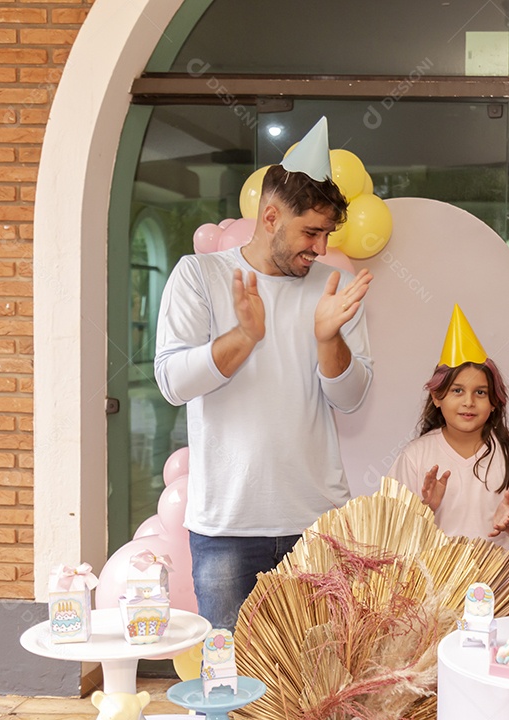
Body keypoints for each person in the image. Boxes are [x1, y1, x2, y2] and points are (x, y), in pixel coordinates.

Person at [154, 118, 374, 630]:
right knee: (230, 674)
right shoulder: (199, 276)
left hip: (319, 525)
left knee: (320, 673)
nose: (321, 248)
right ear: (271, 216)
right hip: (226, 528)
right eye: (311, 232)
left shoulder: (334, 288)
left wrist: (328, 338)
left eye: (327, 234)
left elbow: (352, 398)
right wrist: (244, 337)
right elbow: (173, 382)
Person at [388, 305, 509, 552]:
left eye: (480, 392)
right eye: (457, 391)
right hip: (433, 576)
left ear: (494, 402)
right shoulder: (414, 457)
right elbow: (392, 535)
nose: (469, 402)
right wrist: (425, 510)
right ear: (437, 397)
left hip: (499, 576)